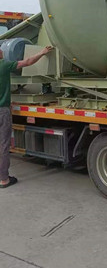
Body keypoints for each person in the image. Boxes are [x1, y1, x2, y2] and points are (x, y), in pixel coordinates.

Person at [0, 45, 53, 188]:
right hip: (2, 111)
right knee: (3, 145)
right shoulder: (4, 65)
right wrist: (42, 52)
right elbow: (27, 62)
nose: (2, 50)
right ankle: (3, 179)